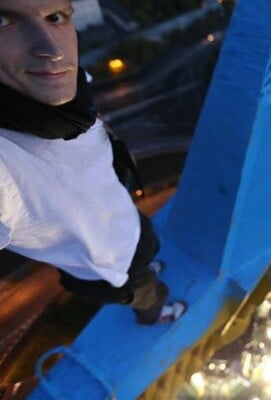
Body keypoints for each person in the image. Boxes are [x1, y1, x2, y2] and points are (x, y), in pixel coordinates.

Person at [0, 0, 186, 324]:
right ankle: (157, 315)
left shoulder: (68, 88)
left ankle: (149, 268)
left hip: (122, 220)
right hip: (103, 265)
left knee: (147, 248)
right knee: (146, 295)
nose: (53, 51)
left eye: (55, 16)